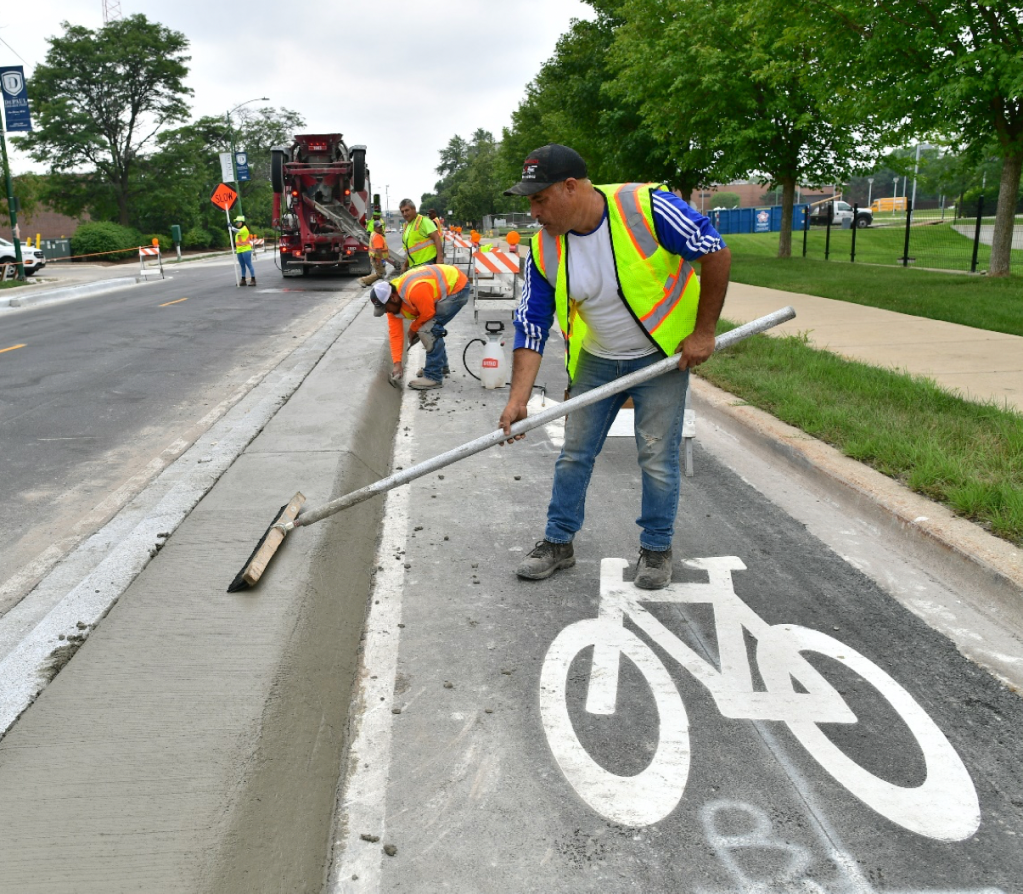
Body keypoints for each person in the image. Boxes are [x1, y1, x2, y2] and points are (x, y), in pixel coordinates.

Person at [497, 144, 731, 590]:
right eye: (529, 201)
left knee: (657, 456)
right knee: (574, 454)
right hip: (598, 359)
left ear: (570, 188)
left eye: (539, 198)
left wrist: (704, 333)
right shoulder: (544, 248)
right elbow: (531, 322)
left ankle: (657, 549)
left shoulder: (648, 208)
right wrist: (517, 400)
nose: (534, 211)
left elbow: (714, 252)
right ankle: (558, 542)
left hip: (661, 357)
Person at [370, 264, 470, 390]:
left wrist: (413, 329)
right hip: (444, 289)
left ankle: (433, 376)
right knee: (429, 327)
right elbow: (395, 335)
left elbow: (428, 313)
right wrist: (397, 364)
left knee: (428, 329)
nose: (386, 312)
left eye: (385, 308)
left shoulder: (414, 290)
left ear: (393, 298)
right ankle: (440, 367)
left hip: (457, 288)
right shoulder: (393, 308)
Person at [399, 199, 443, 271]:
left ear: (414, 209)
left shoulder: (424, 221)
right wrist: (405, 265)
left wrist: (440, 258)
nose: (405, 214)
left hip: (428, 263)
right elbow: (410, 250)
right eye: (402, 211)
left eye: (407, 210)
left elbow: (437, 238)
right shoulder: (407, 226)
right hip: (415, 266)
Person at [360, 220, 391, 286]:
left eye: (381, 227)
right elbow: (378, 249)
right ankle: (363, 280)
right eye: (378, 227)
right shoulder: (377, 236)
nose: (380, 228)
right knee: (380, 273)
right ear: (374, 228)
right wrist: (381, 260)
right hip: (377, 259)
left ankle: (368, 282)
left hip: (375, 257)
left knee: (382, 273)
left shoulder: (374, 233)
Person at [229, 215, 256, 286]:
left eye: (238, 222)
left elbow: (237, 230)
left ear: (241, 222)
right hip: (239, 250)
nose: (237, 223)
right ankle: (243, 280)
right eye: (236, 222)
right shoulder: (239, 230)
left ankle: (253, 279)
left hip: (246, 250)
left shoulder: (244, 229)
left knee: (249, 264)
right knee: (242, 266)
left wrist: (231, 227)